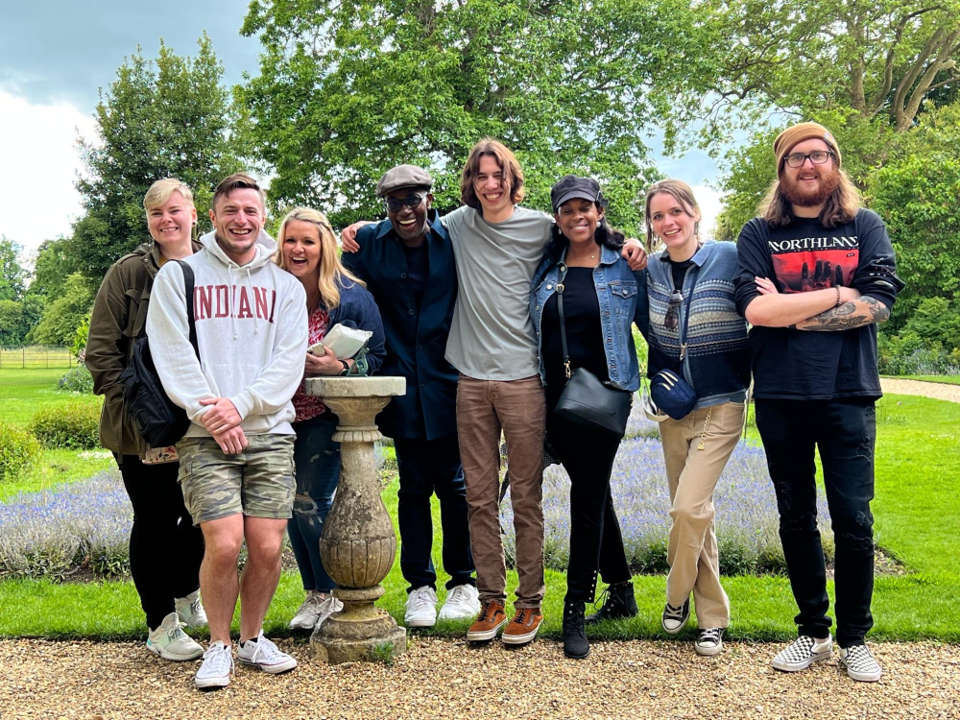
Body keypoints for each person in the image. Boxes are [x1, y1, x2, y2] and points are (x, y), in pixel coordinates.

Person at [342, 139, 646, 645]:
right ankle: (490, 601)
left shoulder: (540, 228)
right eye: (481, 175)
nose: (490, 183)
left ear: (511, 179)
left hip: (525, 380)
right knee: (479, 498)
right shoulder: (456, 226)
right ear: (470, 182)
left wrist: (629, 245)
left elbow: (587, 235)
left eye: (498, 174)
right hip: (469, 382)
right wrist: (353, 231)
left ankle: (530, 604)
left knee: (526, 498)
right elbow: (399, 224)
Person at [734, 122, 903, 682]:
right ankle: (813, 632)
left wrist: (792, 305)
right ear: (782, 172)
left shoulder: (864, 225)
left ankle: (855, 638)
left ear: (835, 164)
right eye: (797, 158)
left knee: (853, 517)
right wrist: (838, 292)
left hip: (848, 392)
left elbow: (879, 303)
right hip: (782, 394)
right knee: (795, 517)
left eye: (820, 155)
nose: (809, 165)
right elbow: (756, 312)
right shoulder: (759, 232)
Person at [146, 173, 308, 690]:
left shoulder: (284, 285)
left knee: (264, 547)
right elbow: (171, 352)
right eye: (231, 210)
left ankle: (252, 638)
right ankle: (218, 645)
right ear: (211, 217)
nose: (242, 219)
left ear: (263, 217)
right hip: (204, 437)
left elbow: (288, 364)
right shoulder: (180, 277)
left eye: (251, 211)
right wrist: (211, 415)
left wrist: (238, 406)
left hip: (269, 432)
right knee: (223, 543)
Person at [340, 165, 478, 628]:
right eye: (394, 202)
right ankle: (420, 586)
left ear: (429, 197)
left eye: (412, 199)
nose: (404, 210)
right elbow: (333, 274)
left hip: (451, 380)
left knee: (456, 486)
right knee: (414, 488)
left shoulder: (456, 237)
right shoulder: (371, 244)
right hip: (400, 384)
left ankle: (465, 582)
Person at [87, 178, 207, 662]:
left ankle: (185, 592)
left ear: (195, 214)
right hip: (141, 427)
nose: (166, 220)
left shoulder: (213, 266)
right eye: (156, 214)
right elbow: (101, 353)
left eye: (175, 210)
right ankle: (161, 624)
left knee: (201, 516)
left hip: (201, 418)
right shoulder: (128, 274)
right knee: (156, 520)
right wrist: (142, 410)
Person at [634, 179, 751, 657]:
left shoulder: (730, 256)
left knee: (686, 509)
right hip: (672, 409)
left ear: (695, 212)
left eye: (676, 211)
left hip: (722, 404)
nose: (668, 223)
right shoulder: (651, 270)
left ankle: (675, 595)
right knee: (696, 513)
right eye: (658, 216)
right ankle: (712, 621)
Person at [529, 176, 644, 659]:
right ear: (557, 217)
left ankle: (574, 608)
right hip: (554, 399)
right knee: (598, 495)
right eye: (567, 210)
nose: (577, 216)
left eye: (585, 208)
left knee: (587, 497)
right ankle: (622, 592)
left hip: (601, 400)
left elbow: (655, 325)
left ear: (599, 211)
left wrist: (671, 376)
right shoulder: (546, 267)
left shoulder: (625, 268)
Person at [274, 207, 386, 632]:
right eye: (291, 240)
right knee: (287, 507)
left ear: (325, 245)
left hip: (325, 414)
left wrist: (340, 369)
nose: (299, 249)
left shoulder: (352, 295)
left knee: (310, 502)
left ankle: (332, 594)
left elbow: (378, 356)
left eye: (308, 241)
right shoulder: (272, 290)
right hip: (278, 413)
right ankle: (315, 594)